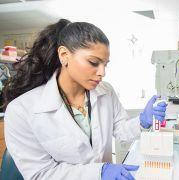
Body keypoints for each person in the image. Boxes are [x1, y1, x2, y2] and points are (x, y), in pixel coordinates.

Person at [3, 19, 167, 180]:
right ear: (64, 55)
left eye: (105, 64)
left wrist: (143, 121)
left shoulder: (106, 91)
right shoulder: (21, 111)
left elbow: (121, 131)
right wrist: (99, 173)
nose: (102, 72)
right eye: (93, 62)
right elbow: (41, 174)